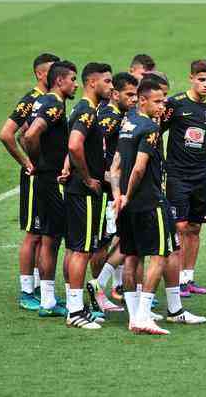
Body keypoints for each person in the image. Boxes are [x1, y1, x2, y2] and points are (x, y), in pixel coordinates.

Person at [112, 79, 205, 335]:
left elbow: (115, 165)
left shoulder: (126, 124)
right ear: (142, 100)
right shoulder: (150, 127)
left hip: (127, 207)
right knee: (161, 255)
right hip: (150, 202)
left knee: (131, 257)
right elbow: (140, 167)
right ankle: (143, 316)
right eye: (157, 101)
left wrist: (118, 196)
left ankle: (134, 317)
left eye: (163, 100)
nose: (163, 105)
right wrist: (129, 195)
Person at [0, 52, 59, 310]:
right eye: (52, 72)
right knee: (34, 234)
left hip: (47, 175)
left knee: (43, 232)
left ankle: (35, 286)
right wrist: (27, 162)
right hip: (36, 176)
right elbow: (6, 134)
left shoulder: (47, 100)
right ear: (40, 74)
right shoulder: (32, 100)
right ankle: (26, 292)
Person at [22, 60, 78, 318]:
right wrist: (38, 162)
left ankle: (46, 299)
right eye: (72, 79)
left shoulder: (43, 101)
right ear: (59, 81)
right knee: (53, 239)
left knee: (48, 237)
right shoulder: (54, 104)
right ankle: (48, 301)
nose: (74, 84)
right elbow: (30, 135)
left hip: (46, 179)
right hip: (51, 179)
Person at [162, 59, 206, 296]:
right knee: (180, 225)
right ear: (191, 78)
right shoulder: (175, 104)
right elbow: (156, 132)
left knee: (195, 227)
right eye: (201, 79)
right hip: (177, 175)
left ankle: (188, 278)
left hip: (201, 176)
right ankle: (174, 281)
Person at [64, 62, 113, 329]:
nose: (111, 86)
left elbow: (69, 145)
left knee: (74, 248)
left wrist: (67, 167)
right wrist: (87, 177)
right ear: (92, 82)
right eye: (107, 81)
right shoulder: (86, 111)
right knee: (82, 250)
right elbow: (74, 145)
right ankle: (74, 312)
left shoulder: (84, 109)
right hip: (83, 192)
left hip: (76, 189)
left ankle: (75, 307)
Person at [86, 72, 138, 312]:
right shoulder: (111, 116)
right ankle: (95, 296)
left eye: (136, 94)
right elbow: (92, 143)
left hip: (112, 189)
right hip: (105, 191)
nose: (134, 99)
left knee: (117, 239)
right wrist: (102, 175)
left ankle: (106, 289)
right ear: (116, 94)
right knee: (101, 244)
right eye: (129, 94)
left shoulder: (120, 114)